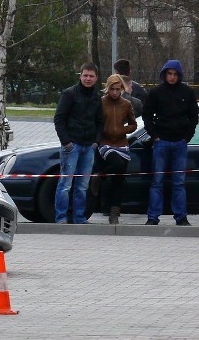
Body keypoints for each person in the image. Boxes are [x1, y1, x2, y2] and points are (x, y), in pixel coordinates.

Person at [142, 59, 198, 226]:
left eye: (175, 74)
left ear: (179, 75)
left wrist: (186, 137)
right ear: (164, 74)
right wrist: (154, 136)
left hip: (180, 143)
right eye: (169, 74)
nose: (172, 77)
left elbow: (194, 117)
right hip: (161, 142)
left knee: (179, 182)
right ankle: (153, 217)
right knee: (157, 182)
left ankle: (181, 217)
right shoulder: (156, 92)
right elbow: (146, 115)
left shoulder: (187, 92)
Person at [53, 62, 103, 224]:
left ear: (96, 78)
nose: (88, 78)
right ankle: (61, 218)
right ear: (80, 76)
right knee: (65, 184)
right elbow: (59, 118)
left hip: (89, 147)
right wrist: (66, 142)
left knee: (82, 186)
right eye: (85, 75)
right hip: (71, 146)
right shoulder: (69, 94)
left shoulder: (96, 97)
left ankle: (79, 218)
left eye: (91, 76)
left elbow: (100, 122)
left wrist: (96, 142)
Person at [97, 74, 137, 224]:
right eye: (112, 89)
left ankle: (114, 213)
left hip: (121, 142)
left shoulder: (126, 104)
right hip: (106, 142)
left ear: (122, 89)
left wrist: (123, 130)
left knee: (119, 178)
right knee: (117, 163)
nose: (115, 92)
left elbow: (134, 124)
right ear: (108, 89)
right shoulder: (101, 102)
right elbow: (97, 122)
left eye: (118, 89)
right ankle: (99, 177)